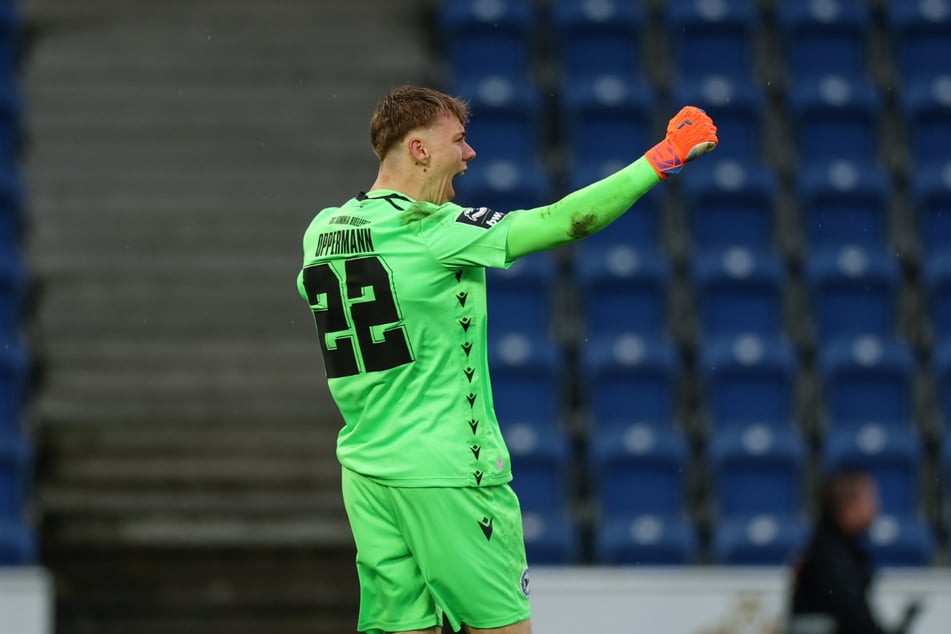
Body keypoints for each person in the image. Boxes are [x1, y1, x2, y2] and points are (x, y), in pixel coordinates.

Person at [296, 85, 717, 634]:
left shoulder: (323, 230)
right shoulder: (432, 231)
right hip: (447, 469)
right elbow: (567, 220)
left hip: (367, 470)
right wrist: (659, 160)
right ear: (420, 150)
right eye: (460, 140)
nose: (470, 154)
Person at [788, 470, 922, 634]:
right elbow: (854, 616)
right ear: (848, 508)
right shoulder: (831, 557)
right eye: (869, 500)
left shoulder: (831, 549)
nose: (877, 508)